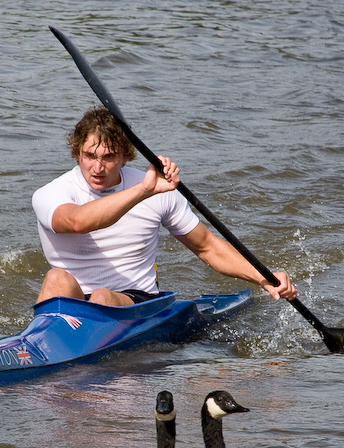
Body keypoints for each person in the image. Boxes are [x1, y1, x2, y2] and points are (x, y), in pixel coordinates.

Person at [32, 106, 297, 307]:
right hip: (75, 301)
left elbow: (206, 246)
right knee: (56, 278)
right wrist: (144, 190)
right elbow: (76, 222)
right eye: (89, 156)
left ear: (125, 156)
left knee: (102, 297)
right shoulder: (51, 193)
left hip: (135, 301)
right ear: (77, 153)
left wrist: (263, 277)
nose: (97, 167)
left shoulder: (158, 190)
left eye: (109, 157)